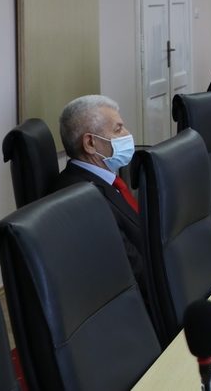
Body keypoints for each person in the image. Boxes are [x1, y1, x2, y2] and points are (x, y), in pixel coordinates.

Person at [50, 95, 144, 290]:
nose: (128, 134)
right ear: (90, 143)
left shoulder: (105, 181)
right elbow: (132, 270)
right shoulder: (83, 202)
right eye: (118, 129)